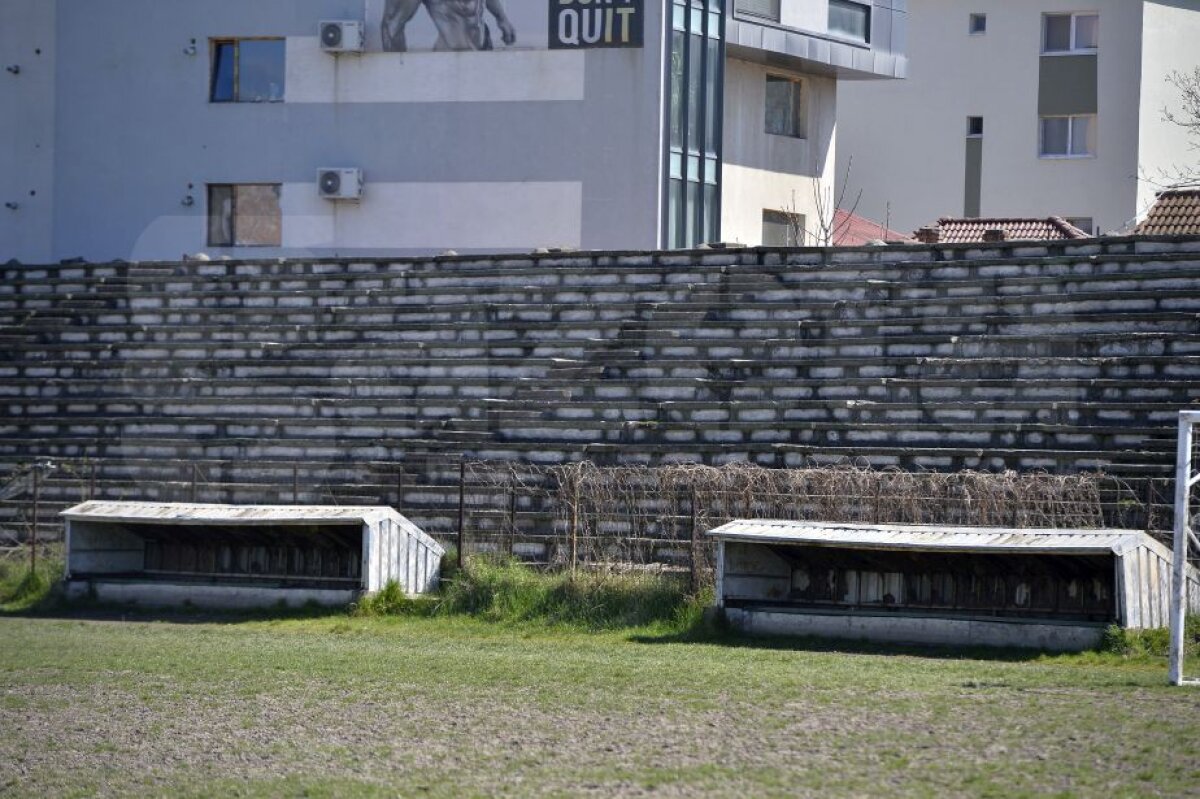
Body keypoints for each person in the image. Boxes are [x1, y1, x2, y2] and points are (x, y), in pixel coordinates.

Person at [381, 0, 516, 52]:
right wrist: (398, 70)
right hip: (447, 62)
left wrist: (501, 18)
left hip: (481, 56)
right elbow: (392, 26)